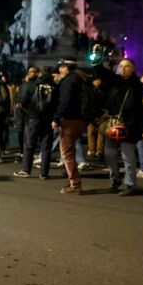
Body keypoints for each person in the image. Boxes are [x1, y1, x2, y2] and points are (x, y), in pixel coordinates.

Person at [101, 58, 143, 195]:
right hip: (114, 123)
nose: (123, 68)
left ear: (132, 69)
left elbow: (141, 110)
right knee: (109, 154)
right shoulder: (115, 82)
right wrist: (97, 61)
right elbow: (102, 73)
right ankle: (114, 180)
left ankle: (131, 184)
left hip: (129, 125)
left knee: (128, 156)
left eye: (127, 66)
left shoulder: (137, 86)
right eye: (121, 66)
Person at [51, 57, 87, 194]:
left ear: (67, 68)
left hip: (69, 120)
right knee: (71, 151)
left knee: (66, 153)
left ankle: (75, 183)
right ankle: (70, 180)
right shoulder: (81, 78)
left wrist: (56, 117)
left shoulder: (68, 81)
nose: (59, 69)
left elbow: (65, 102)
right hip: (80, 119)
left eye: (62, 67)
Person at [14, 66, 54, 179]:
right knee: (46, 146)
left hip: (33, 117)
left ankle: (26, 170)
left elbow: (22, 101)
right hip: (48, 118)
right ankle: (44, 173)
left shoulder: (29, 85)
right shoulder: (52, 86)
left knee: (29, 145)